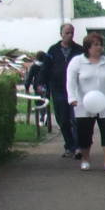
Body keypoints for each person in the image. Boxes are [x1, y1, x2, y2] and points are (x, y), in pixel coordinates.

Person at [66, 31, 105, 173]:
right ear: (88, 47)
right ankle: (85, 159)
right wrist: (72, 98)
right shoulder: (77, 62)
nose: (99, 47)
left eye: (100, 45)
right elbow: (71, 82)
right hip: (83, 105)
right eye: (95, 45)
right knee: (84, 134)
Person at [41, 23, 85, 158]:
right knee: (63, 120)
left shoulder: (79, 50)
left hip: (75, 90)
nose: (70, 35)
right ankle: (69, 145)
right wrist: (42, 84)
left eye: (72, 32)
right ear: (61, 34)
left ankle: (78, 147)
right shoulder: (52, 50)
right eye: (67, 33)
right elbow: (45, 68)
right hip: (58, 89)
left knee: (76, 119)